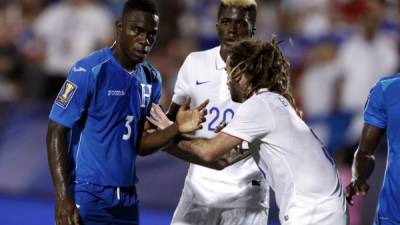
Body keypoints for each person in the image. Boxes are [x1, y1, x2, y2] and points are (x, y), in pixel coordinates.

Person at [153, 38, 348, 225]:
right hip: (326, 208)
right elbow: (223, 160)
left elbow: (208, 151)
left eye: (231, 74)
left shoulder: (259, 105)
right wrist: (165, 140)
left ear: (245, 73)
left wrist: (167, 133)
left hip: (313, 213)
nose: (228, 82)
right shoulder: (273, 103)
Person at [46, 1, 207, 225]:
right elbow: (55, 130)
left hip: (127, 199)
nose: (145, 40)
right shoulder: (89, 70)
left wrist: (175, 128)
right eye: (137, 31)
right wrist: (63, 196)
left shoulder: (151, 79)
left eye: (152, 34)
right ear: (119, 27)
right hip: (88, 194)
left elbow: (140, 145)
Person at [164, 0, 269, 224]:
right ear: (216, 26)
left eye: (241, 23)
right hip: (198, 192)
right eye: (226, 22)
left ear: (253, 29)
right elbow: (171, 121)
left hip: (246, 197)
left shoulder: (267, 73)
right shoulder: (195, 63)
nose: (232, 30)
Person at [346, 73, 400, 225]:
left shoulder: (387, 87)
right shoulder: (385, 88)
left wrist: (357, 179)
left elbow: (365, 152)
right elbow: (365, 152)